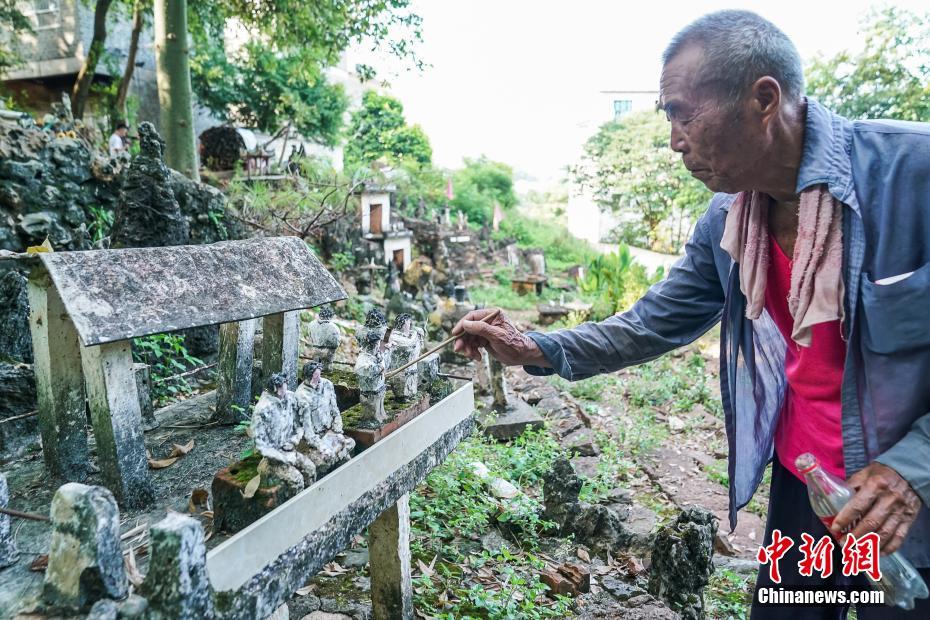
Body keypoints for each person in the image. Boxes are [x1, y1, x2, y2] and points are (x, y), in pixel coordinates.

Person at [453, 10, 930, 619]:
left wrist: (912, 465)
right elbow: (654, 320)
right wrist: (536, 348)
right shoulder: (732, 220)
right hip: (808, 489)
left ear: (763, 98)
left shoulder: (911, 175)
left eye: (683, 113)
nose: (675, 139)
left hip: (906, 501)